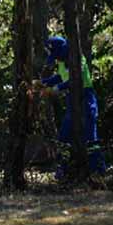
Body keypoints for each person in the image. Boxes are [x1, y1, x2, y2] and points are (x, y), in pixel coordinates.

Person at [40, 36, 107, 179]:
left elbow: (74, 80)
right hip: (72, 100)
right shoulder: (62, 63)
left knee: (91, 138)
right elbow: (60, 77)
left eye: (57, 56)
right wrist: (43, 83)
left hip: (86, 97)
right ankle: (62, 169)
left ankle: (98, 171)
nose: (56, 59)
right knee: (64, 136)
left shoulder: (78, 59)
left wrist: (55, 89)